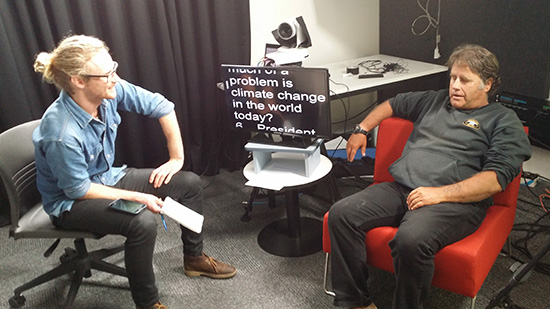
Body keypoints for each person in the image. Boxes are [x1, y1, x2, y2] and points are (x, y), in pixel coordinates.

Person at [32, 34, 236, 309]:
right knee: (141, 222)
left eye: (114, 68)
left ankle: (194, 258)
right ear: (79, 81)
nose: (115, 77)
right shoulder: (61, 133)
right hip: (71, 202)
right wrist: (140, 198)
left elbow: (163, 107)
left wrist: (176, 159)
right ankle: (147, 303)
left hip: (106, 177)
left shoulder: (108, 91)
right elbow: (78, 190)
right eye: (107, 74)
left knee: (188, 182)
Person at [328, 44, 532, 309]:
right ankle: (356, 302)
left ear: (487, 84)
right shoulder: (434, 100)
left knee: (410, 240)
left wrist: (438, 194)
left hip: (455, 203)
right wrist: (362, 128)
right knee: (341, 213)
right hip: (402, 188)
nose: (455, 86)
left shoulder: (504, 120)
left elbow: (495, 179)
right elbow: (393, 103)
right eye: (453, 78)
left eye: (465, 80)